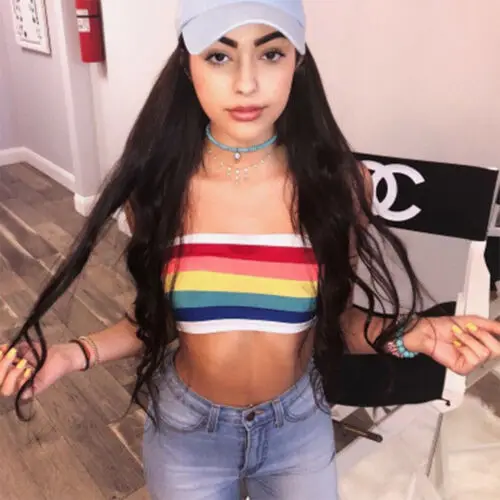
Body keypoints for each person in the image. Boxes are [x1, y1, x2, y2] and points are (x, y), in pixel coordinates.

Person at [1, 0, 500, 498]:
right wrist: (70, 355)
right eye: (219, 56)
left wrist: (412, 334)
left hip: (297, 427)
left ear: (298, 61)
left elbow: (336, 321)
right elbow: (160, 319)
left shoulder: (340, 185)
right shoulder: (158, 188)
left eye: (271, 54)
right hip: (188, 434)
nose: (246, 83)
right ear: (188, 64)